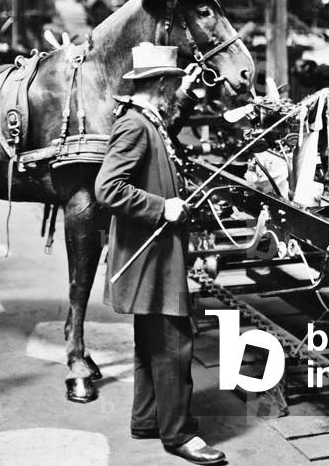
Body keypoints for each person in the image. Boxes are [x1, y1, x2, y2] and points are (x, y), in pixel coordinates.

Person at [95, 43, 225, 465]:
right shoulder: (135, 126)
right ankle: (180, 434)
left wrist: (188, 93)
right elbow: (107, 188)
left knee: (150, 340)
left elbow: (166, 128)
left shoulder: (148, 119)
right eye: (173, 84)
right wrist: (161, 206)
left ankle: (148, 418)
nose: (174, 91)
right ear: (162, 83)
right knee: (175, 342)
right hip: (149, 257)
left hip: (154, 254)